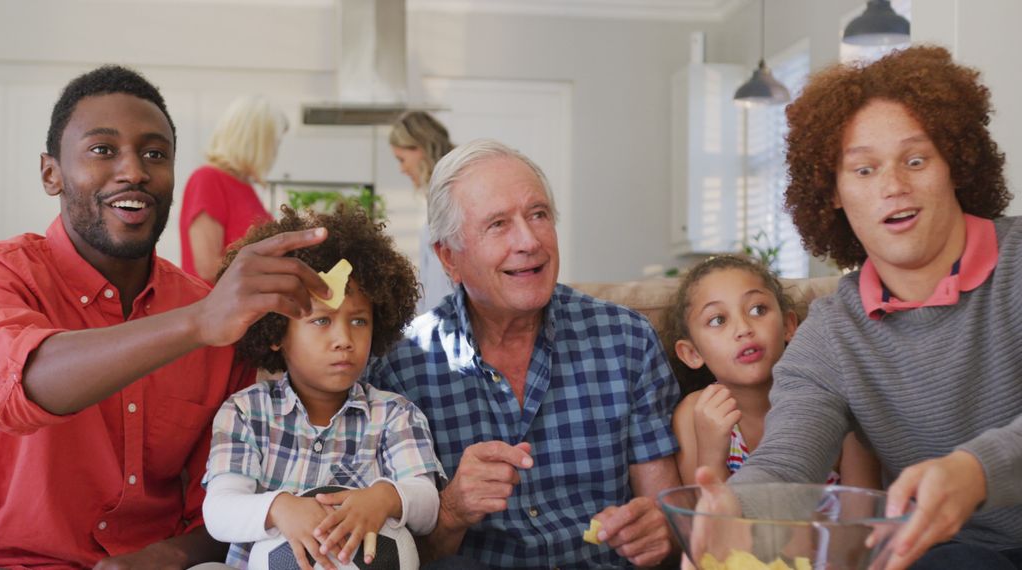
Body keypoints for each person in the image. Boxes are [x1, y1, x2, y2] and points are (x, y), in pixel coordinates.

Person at [0, 65, 332, 568]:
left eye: (155, 153)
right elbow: (21, 385)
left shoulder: (211, 320)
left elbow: (225, 501)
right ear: (50, 173)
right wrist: (197, 322)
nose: (134, 171)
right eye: (103, 150)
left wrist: (166, 555)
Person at [715, 46, 1022, 570]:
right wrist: (726, 510)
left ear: (954, 163)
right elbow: (788, 462)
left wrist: (976, 470)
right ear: (831, 192)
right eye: (862, 170)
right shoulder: (833, 334)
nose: (893, 187)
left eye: (916, 160)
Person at [367, 138, 682, 568]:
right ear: (448, 258)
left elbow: (665, 512)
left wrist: (659, 529)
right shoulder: (401, 367)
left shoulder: (626, 340)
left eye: (538, 215)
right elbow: (394, 557)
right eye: (498, 224)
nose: (530, 240)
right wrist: (454, 509)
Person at [201, 205, 444, 569]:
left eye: (359, 320)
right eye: (321, 321)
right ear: (276, 332)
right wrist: (279, 508)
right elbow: (219, 510)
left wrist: (384, 498)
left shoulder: (395, 415)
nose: (344, 339)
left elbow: (427, 506)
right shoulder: (244, 413)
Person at [664, 255, 880, 487]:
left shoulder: (837, 402)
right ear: (692, 353)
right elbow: (706, 520)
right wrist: (711, 456)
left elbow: (862, 513)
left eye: (758, 310)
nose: (743, 329)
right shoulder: (693, 416)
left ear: (788, 325)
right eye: (718, 320)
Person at [181, 95, 286, 283]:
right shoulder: (208, 179)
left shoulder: (245, 186)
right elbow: (208, 267)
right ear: (257, 142)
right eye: (274, 143)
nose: (275, 152)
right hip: (216, 309)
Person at [388, 111, 456, 314]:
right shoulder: (435, 196)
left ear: (420, 148)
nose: (402, 169)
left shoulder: (453, 193)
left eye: (401, 159)